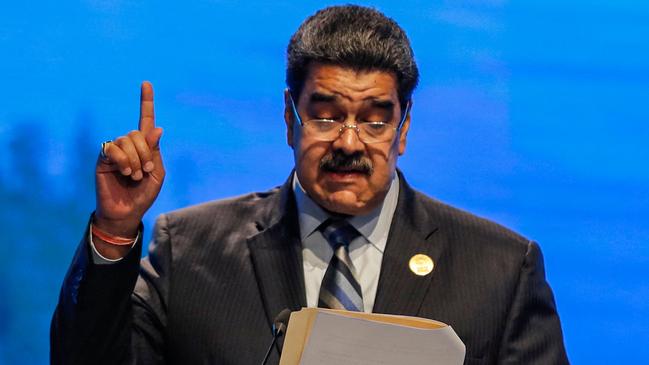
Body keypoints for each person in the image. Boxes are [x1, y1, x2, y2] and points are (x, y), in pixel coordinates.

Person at [51, 5, 569, 365]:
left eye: (374, 120)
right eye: (325, 116)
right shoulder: (189, 252)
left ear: (404, 128)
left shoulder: (499, 269)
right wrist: (115, 230)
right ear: (288, 117)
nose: (349, 142)